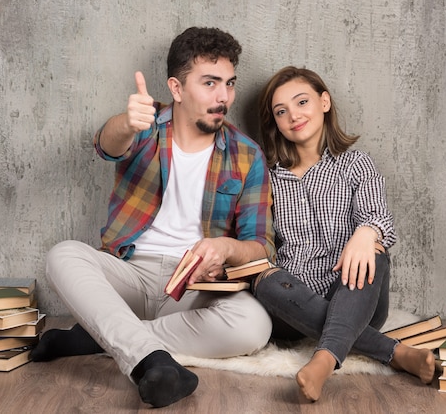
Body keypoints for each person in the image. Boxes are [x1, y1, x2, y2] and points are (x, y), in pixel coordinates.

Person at [30, 27, 275, 408]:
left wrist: (225, 248)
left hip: (193, 289)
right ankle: (151, 360)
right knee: (63, 255)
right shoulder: (144, 127)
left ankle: (102, 338)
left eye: (229, 83)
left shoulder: (247, 155)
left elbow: (260, 248)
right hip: (129, 275)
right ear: (176, 89)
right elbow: (106, 144)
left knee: (255, 325)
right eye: (209, 83)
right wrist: (126, 123)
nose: (223, 96)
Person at [253, 66, 435, 402]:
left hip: (357, 294)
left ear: (324, 102)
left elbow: (379, 217)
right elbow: (256, 238)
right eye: (281, 111)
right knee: (264, 281)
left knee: (375, 251)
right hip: (294, 304)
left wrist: (366, 233)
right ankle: (395, 354)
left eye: (302, 102)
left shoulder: (356, 164)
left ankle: (323, 360)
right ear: (275, 122)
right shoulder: (268, 179)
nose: (293, 116)